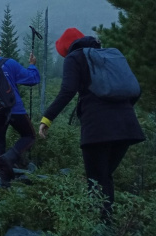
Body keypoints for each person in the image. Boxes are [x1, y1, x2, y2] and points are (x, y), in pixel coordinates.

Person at [39, 28, 145, 217]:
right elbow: (135, 90)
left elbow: (67, 91)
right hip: (127, 126)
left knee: (96, 179)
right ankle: (107, 226)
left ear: (66, 48)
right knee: (105, 176)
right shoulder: (109, 56)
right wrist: (123, 111)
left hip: (98, 128)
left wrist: (47, 118)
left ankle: (98, 230)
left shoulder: (74, 58)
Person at [0, 41, 40, 186]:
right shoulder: (9, 63)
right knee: (29, 135)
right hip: (14, 108)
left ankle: (5, 182)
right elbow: (32, 79)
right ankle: (10, 157)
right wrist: (32, 65)